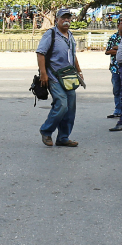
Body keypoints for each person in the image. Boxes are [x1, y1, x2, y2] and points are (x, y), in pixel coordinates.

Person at [37, 9, 83, 147]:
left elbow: (73, 55)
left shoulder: (70, 35)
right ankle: (46, 130)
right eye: (63, 18)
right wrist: (43, 73)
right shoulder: (50, 34)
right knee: (62, 105)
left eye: (68, 18)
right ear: (57, 19)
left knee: (70, 108)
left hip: (69, 77)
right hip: (54, 77)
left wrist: (79, 71)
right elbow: (40, 53)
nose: (66, 20)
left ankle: (63, 137)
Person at [105, 18, 122, 119]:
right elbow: (107, 51)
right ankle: (117, 110)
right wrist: (120, 50)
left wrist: (117, 48)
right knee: (116, 90)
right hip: (115, 68)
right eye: (120, 25)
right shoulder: (114, 37)